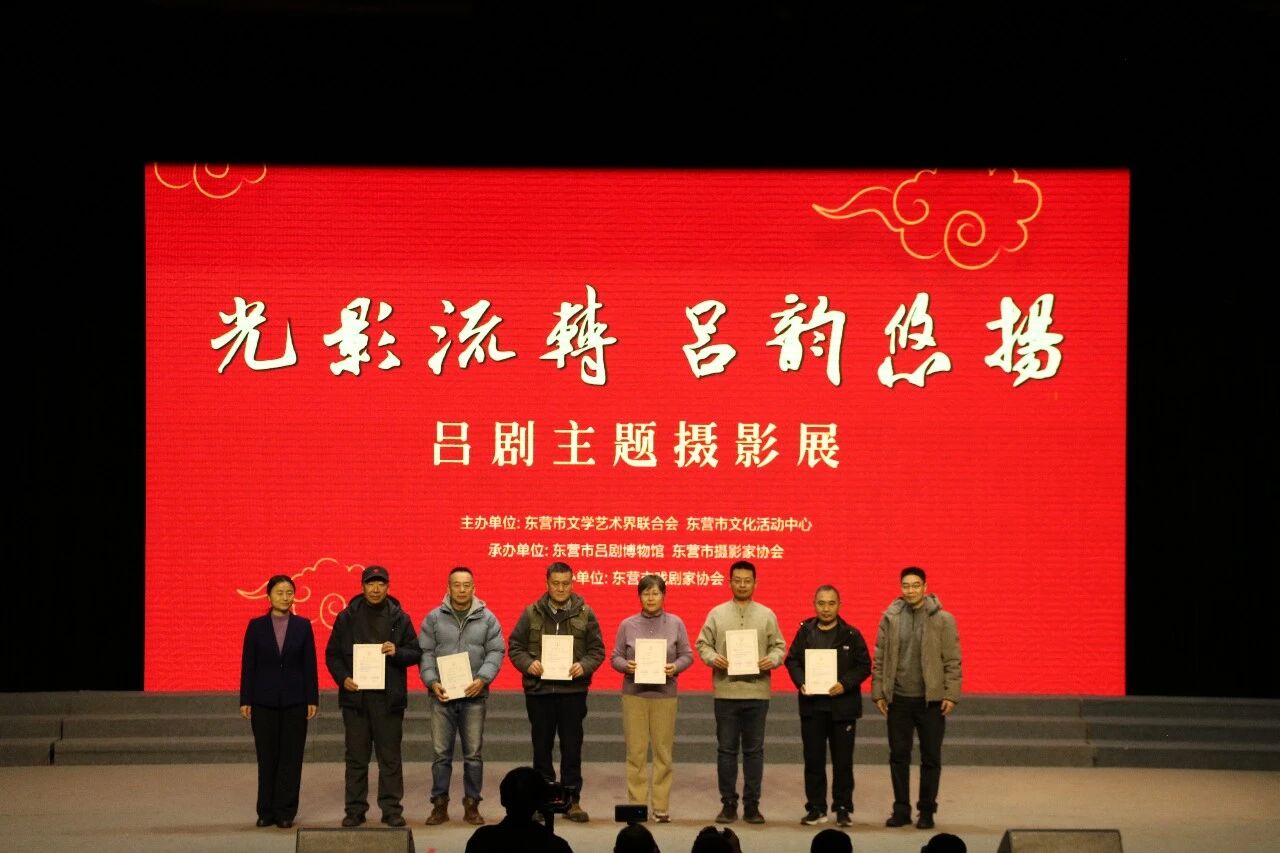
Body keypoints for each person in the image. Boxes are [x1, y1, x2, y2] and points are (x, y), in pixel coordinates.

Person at [325, 564, 423, 828]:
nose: (376, 588)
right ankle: (355, 810)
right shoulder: (346, 617)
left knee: (389, 758)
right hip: (356, 699)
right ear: (362, 587)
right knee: (356, 758)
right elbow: (332, 654)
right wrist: (343, 678)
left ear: (388, 587)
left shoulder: (400, 618)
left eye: (381, 583)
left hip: (388, 700)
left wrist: (397, 652)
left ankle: (391, 809)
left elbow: (416, 652)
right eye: (371, 583)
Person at [508, 561, 606, 822]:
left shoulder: (586, 613)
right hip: (539, 692)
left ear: (572, 584)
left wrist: (584, 666)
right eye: (556, 583)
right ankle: (542, 802)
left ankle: (572, 800)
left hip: (573, 692)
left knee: (572, 748)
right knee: (541, 749)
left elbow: (597, 651)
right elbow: (515, 646)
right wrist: (528, 664)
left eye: (566, 583)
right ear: (547, 584)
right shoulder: (531, 613)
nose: (561, 588)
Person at [870, 566, 962, 830]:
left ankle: (927, 811)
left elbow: (953, 659)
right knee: (898, 756)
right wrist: (878, 691)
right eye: (906, 586)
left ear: (925, 587)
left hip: (930, 701)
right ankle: (901, 810)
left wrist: (951, 694)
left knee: (930, 757)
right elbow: (879, 656)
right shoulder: (890, 617)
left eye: (915, 585)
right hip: (898, 699)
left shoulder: (943, 619)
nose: (910, 590)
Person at [695, 559, 786, 825]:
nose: (742, 585)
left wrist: (773, 659)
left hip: (757, 693)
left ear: (755, 583)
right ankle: (728, 804)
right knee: (726, 751)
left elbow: (779, 646)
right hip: (726, 692)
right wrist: (714, 658)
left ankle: (752, 805)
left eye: (747, 581)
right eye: (737, 580)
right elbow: (702, 644)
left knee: (754, 751)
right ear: (730, 582)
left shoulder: (767, 615)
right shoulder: (717, 613)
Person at [418, 566, 506, 826]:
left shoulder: (488, 618)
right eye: (456, 585)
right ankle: (439, 805)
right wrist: (432, 681)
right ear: (448, 588)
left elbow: (496, 651)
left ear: (473, 588)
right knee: (441, 755)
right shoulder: (434, 618)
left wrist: (483, 678)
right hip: (441, 696)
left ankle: (472, 804)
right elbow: (425, 652)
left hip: (474, 696)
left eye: (466, 585)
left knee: (473, 755)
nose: (461, 589)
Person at [784, 584, 871, 827]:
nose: (826, 608)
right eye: (821, 603)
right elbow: (792, 660)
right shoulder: (805, 632)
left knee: (843, 762)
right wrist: (801, 682)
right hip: (812, 707)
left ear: (839, 605)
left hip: (843, 708)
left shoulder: (851, 634)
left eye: (831, 603)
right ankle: (816, 808)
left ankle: (842, 808)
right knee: (813, 761)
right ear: (814, 605)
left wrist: (845, 684)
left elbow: (864, 665)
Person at [610, 573, 694, 823]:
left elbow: (687, 655)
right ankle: (637, 807)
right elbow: (615, 657)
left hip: (664, 695)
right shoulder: (627, 624)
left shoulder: (676, 623)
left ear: (663, 596)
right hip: (634, 694)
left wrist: (675, 667)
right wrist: (626, 665)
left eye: (655, 593)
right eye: (646, 593)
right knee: (635, 753)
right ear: (639, 596)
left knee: (662, 753)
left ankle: (660, 807)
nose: (650, 598)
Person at [239, 574, 319, 829]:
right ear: (269, 596)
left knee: (291, 758)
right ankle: (266, 811)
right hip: (263, 701)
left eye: (289, 593)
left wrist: (312, 697)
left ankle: (286, 811)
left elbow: (309, 664)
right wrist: (245, 698)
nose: (285, 597)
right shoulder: (256, 626)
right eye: (279, 592)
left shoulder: (303, 626)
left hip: (296, 701)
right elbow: (248, 665)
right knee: (267, 757)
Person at [464, 766, 573, 853]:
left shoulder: (481, 840)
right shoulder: (557, 846)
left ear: (503, 800)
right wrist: (548, 830)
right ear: (540, 801)